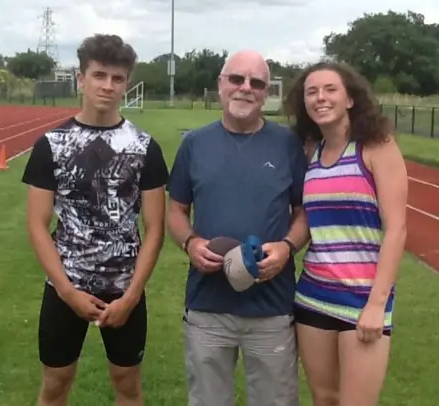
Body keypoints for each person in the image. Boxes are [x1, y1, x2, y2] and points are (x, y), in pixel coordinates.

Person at [21, 34, 169, 406]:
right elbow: (38, 225)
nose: (108, 86)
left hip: (124, 288)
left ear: (126, 84)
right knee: (55, 386)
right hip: (65, 285)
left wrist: (132, 295)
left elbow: (155, 229)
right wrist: (67, 291)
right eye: (99, 75)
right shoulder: (51, 145)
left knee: (128, 386)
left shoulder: (144, 147)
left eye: (117, 79)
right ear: (80, 79)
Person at [165, 49, 310, 406]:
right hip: (207, 306)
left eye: (256, 83)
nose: (246, 88)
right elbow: (176, 210)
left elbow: (304, 212)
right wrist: (190, 243)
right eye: (237, 79)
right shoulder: (194, 144)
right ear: (221, 84)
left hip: (272, 306)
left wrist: (287, 247)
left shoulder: (287, 144)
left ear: (265, 92)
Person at [283, 61, 408, 406]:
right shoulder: (311, 152)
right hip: (312, 296)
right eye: (312, 92)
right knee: (324, 398)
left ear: (350, 99)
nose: (320, 98)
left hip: (363, 301)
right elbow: (306, 218)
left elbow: (397, 229)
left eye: (330, 89)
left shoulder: (376, 148)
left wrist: (376, 305)